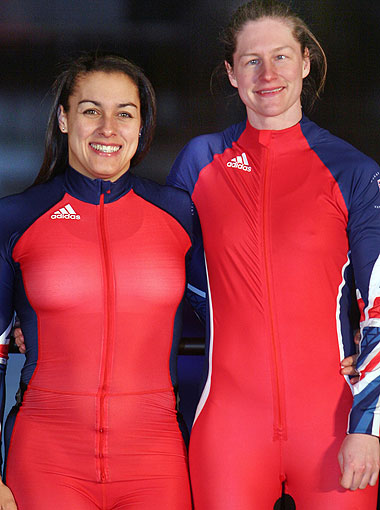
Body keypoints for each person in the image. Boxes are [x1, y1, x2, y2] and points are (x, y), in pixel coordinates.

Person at [165, 1, 380, 508]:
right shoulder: (200, 162)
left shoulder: (353, 170)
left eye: (282, 57)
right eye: (252, 60)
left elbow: (378, 298)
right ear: (232, 73)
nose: (268, 74)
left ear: (306, 62)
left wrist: (368, 424)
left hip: (333, 427)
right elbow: (162, 272)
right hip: (229, 426)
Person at [0, 54, 194, 509]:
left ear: (141, 125)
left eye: (124, 113)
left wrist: (327, 347)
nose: (108, 128)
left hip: (156, 460)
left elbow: (233, 312)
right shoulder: (16, 216)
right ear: (65, 119)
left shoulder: (181, 215)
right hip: (46, 459)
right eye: (91, 110)